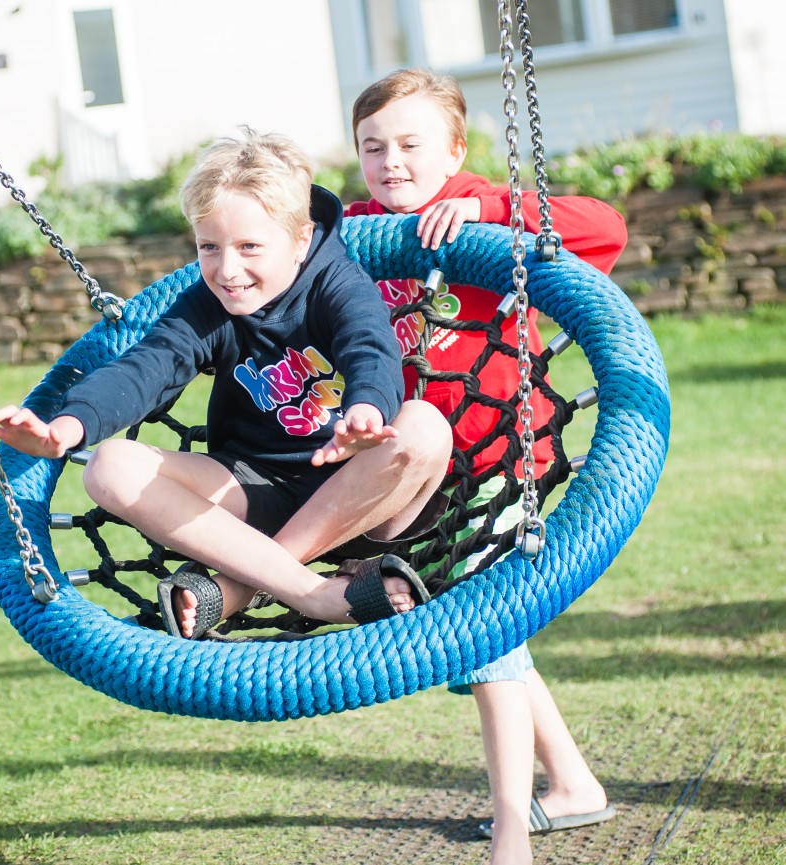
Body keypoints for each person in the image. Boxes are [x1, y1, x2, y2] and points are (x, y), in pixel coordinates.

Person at [0, 126, 453, 640]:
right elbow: (146, 368)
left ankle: (238, 589)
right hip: (255, 491)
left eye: (250, 246)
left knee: (424, 427)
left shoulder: (336, 285)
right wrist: (67, 427)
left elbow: (370, 346)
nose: (228, 270)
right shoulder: (210, 306)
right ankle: (311, 591)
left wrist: (368, 409)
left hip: (362, 497)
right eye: (209, 247)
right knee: (110, 467)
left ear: (298, 240)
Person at [345, 69, 627, 865]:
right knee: (479, 632)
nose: (391, 161)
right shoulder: (363, 228)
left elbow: (604, 227)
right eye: (373, 147)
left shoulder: (480, 210)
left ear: (455, 150)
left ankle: (511, 828)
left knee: (483, 631)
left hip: (503, 463)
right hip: (417, 476)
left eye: (409, 144)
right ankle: (571, 784)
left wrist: (487, 211)